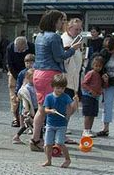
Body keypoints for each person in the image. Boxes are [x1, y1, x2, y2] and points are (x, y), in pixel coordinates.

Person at [28, 10, 83, 152]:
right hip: (50, 74)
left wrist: (65, 49)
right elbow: (59, 57)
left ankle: (35, 139)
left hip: (38, 73)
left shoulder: (40, 36)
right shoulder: (54, 37)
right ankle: (51, 141)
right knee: (55, 109)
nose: (62, 23)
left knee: (41, 109)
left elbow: (50, 53)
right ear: (54, 22)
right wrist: (73, 49)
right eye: (61, 21)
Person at [41, 74, 79, 168]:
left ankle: (67, 159)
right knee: (48, 144)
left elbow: (72, 108)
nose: (60, 90)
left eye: (62, 88)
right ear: (53, 86)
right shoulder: (49, 97)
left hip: (62, 124)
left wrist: (76, 101)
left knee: (60, 143)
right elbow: (45, 110)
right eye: (58, 88)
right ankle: (48, 160)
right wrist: (50, 111)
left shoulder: (65, 97)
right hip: (50, 124)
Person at [3, 36, 33, 127]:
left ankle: (30, 117)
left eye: (22, 50)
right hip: (14, 72)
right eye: (18, 49)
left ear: (25, 45)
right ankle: (15, 118)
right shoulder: (10, 47)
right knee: (14, 96)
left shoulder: (31, 47)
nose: (19, 51)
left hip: (30, 72)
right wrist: (18, 77)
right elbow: (9, 64)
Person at [80, 54, 105, 137]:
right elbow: (84, 83)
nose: (98, 67)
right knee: (87, 114)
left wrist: (106, 81)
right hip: (88, 96)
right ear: (92, 65)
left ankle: (89, 129)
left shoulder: (100, 75)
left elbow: (104, 86)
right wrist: (91, 91)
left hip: (96, 97)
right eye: (96, 65)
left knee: (93, 114)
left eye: (99, 66)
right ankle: (85, 130)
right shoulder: (91, 73)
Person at [13, 69, 38, 144]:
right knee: (31, 124)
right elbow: (24, 98)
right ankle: (17, 137)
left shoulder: (35, 86)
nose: (34, 79)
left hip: (36, 108)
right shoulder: (26, 88)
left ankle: (33, 138)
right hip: (30, 109)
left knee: (32, 124)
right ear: (27, 78)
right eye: (32, 78)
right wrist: (26, 109)